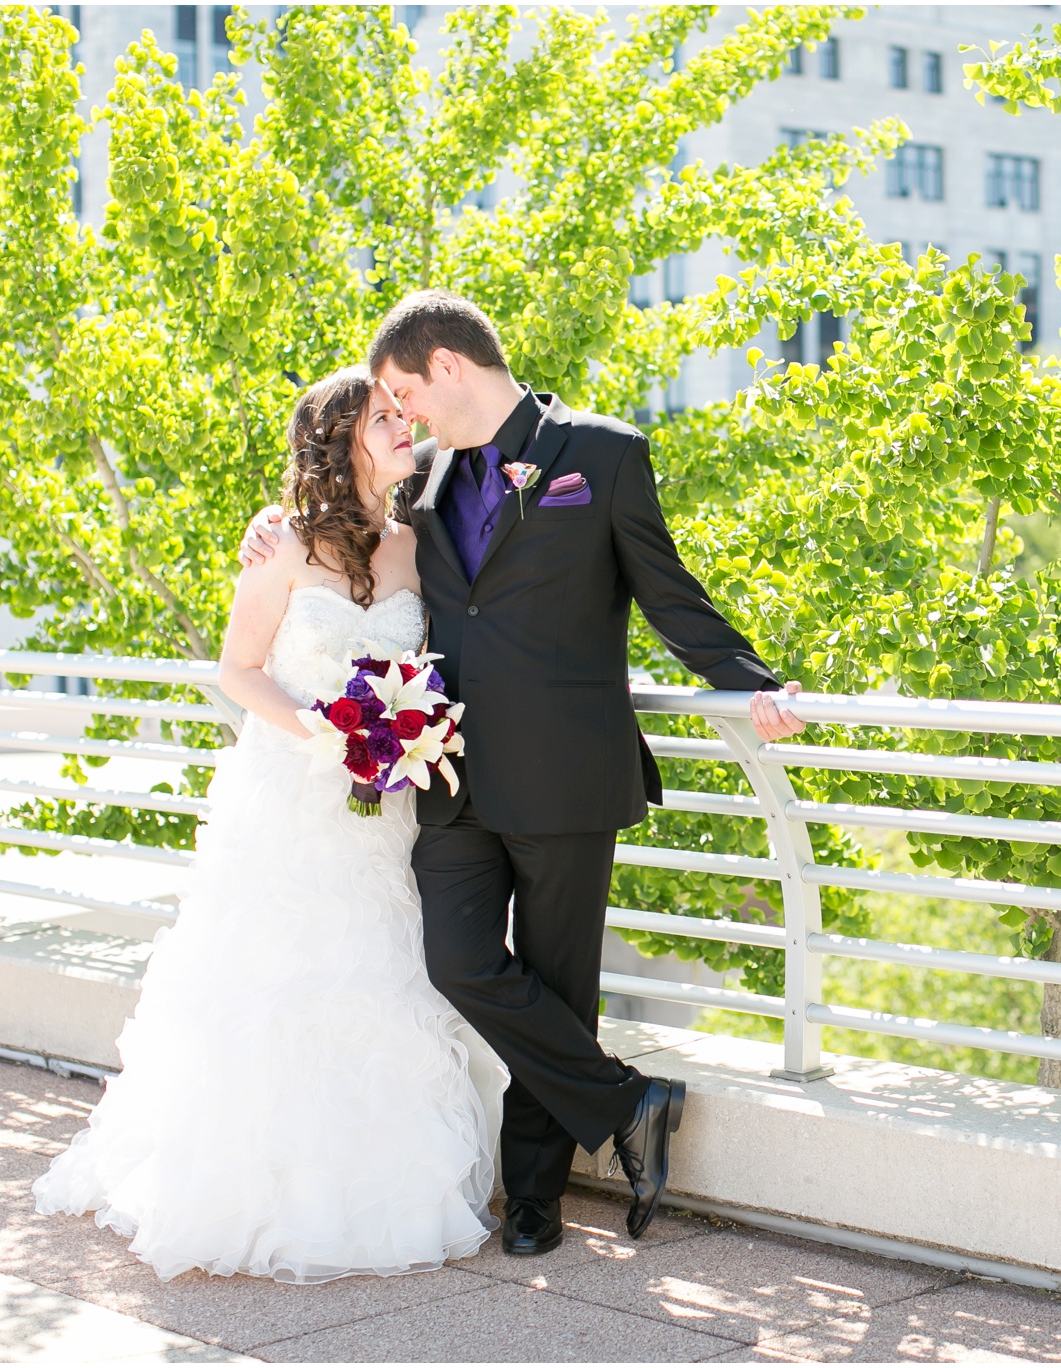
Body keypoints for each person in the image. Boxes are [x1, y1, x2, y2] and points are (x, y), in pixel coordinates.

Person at [238, 289, 807, 1256]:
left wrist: (755, 684)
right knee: (457, 962)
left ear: (447, 368)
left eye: (402, 393)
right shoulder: (417, 488)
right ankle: (630, 1102)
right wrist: (269, 523)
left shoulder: (605, 454)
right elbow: (344, 531)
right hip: (445, 776)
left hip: (568, 770)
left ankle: (536, 1198)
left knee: (557, 979)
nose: (402, 415)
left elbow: (671, 597)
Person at [33, 368, 510, 1282]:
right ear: (342, 440)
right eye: (383, 419)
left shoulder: (419, 543)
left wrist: (405, 733)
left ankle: (393, 1184)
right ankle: (267, 1193)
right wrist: (330, 738)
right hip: (293, 800)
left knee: (392, 981)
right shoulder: (282, 546)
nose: (404, 426)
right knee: (282, 989)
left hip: (391, 814)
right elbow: (239, 671)